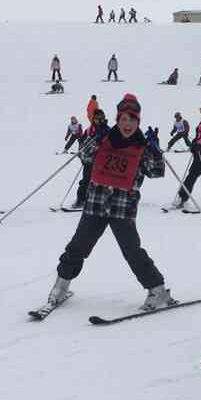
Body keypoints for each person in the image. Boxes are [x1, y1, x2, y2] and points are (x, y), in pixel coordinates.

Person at [38, 93, 172, 312]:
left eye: (132, 119)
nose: (127, 124)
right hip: (95, 205)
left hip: (122, 210)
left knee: (132, 252)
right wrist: (96, 137)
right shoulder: (104, 140)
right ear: (117, 120)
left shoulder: (142, 146)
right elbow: (84, 156)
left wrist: (155, 149)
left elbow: (156, 172)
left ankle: (157, 290)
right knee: (77, 247)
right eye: (123, 119)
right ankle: (61, 286)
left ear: (138, 121)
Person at [72, 107, 109, 207]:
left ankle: (100, 200)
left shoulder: (107, 131)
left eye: (100, 118)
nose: (98, 120)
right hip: (89, 161)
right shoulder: (89, 130)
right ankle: (81, 200)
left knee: (100, 182)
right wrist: (82, 155)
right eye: (96, 118)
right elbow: (81, 141)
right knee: (85, 180)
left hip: (101, 162)